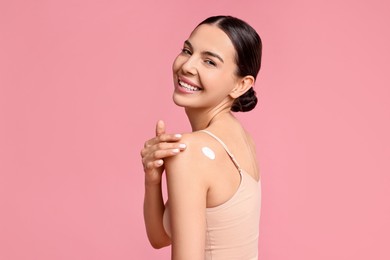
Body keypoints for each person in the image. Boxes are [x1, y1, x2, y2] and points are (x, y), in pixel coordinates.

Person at [141, 15, 262, 260]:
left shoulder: (193, 151)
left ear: (241, 85)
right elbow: (160, 237)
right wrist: (153, 179)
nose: (187, 66)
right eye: (187, 50)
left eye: (209, 61)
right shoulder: (240, 138)